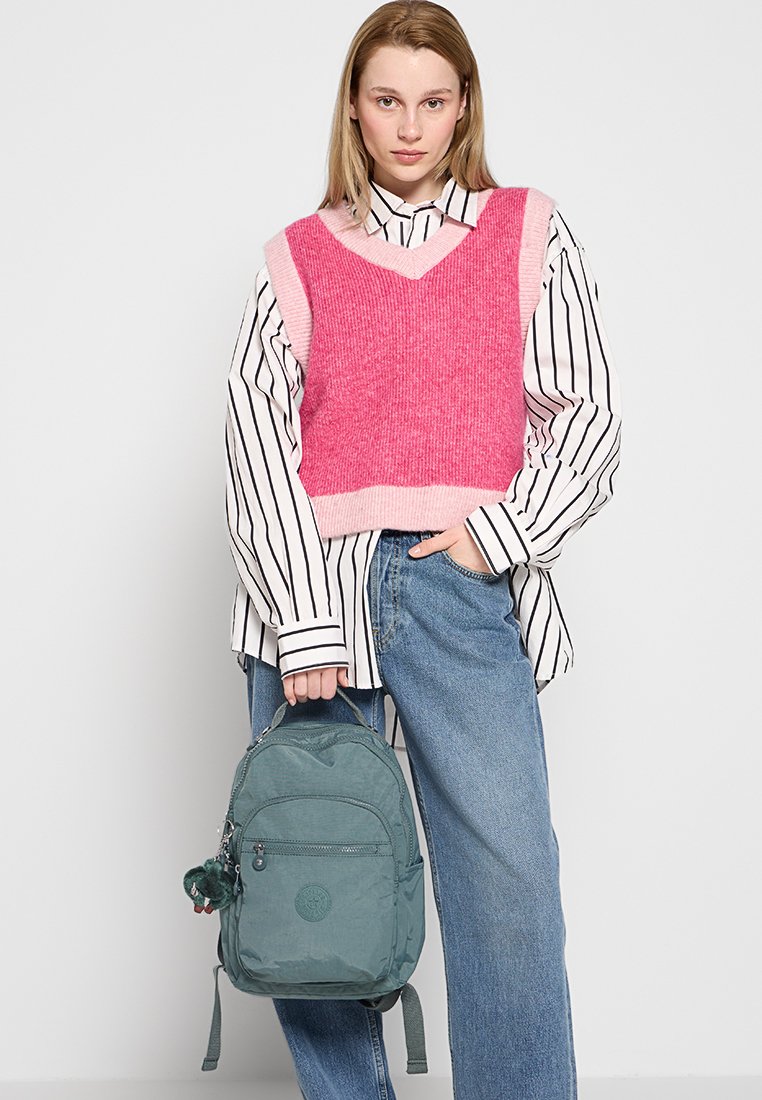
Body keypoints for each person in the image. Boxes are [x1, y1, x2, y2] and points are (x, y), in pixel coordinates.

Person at [224, 2, 622, 1096]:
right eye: (388, 100)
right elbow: (255, 435)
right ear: (354, 108)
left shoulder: (527, 231)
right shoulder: (298, 255)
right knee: (314, 880)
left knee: (510, 889)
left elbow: (587, 416)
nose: (410, 126)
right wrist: (305, 615)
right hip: (315, 589)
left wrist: (496, 537)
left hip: (458, 586)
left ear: (463, 108)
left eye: (433, 101)